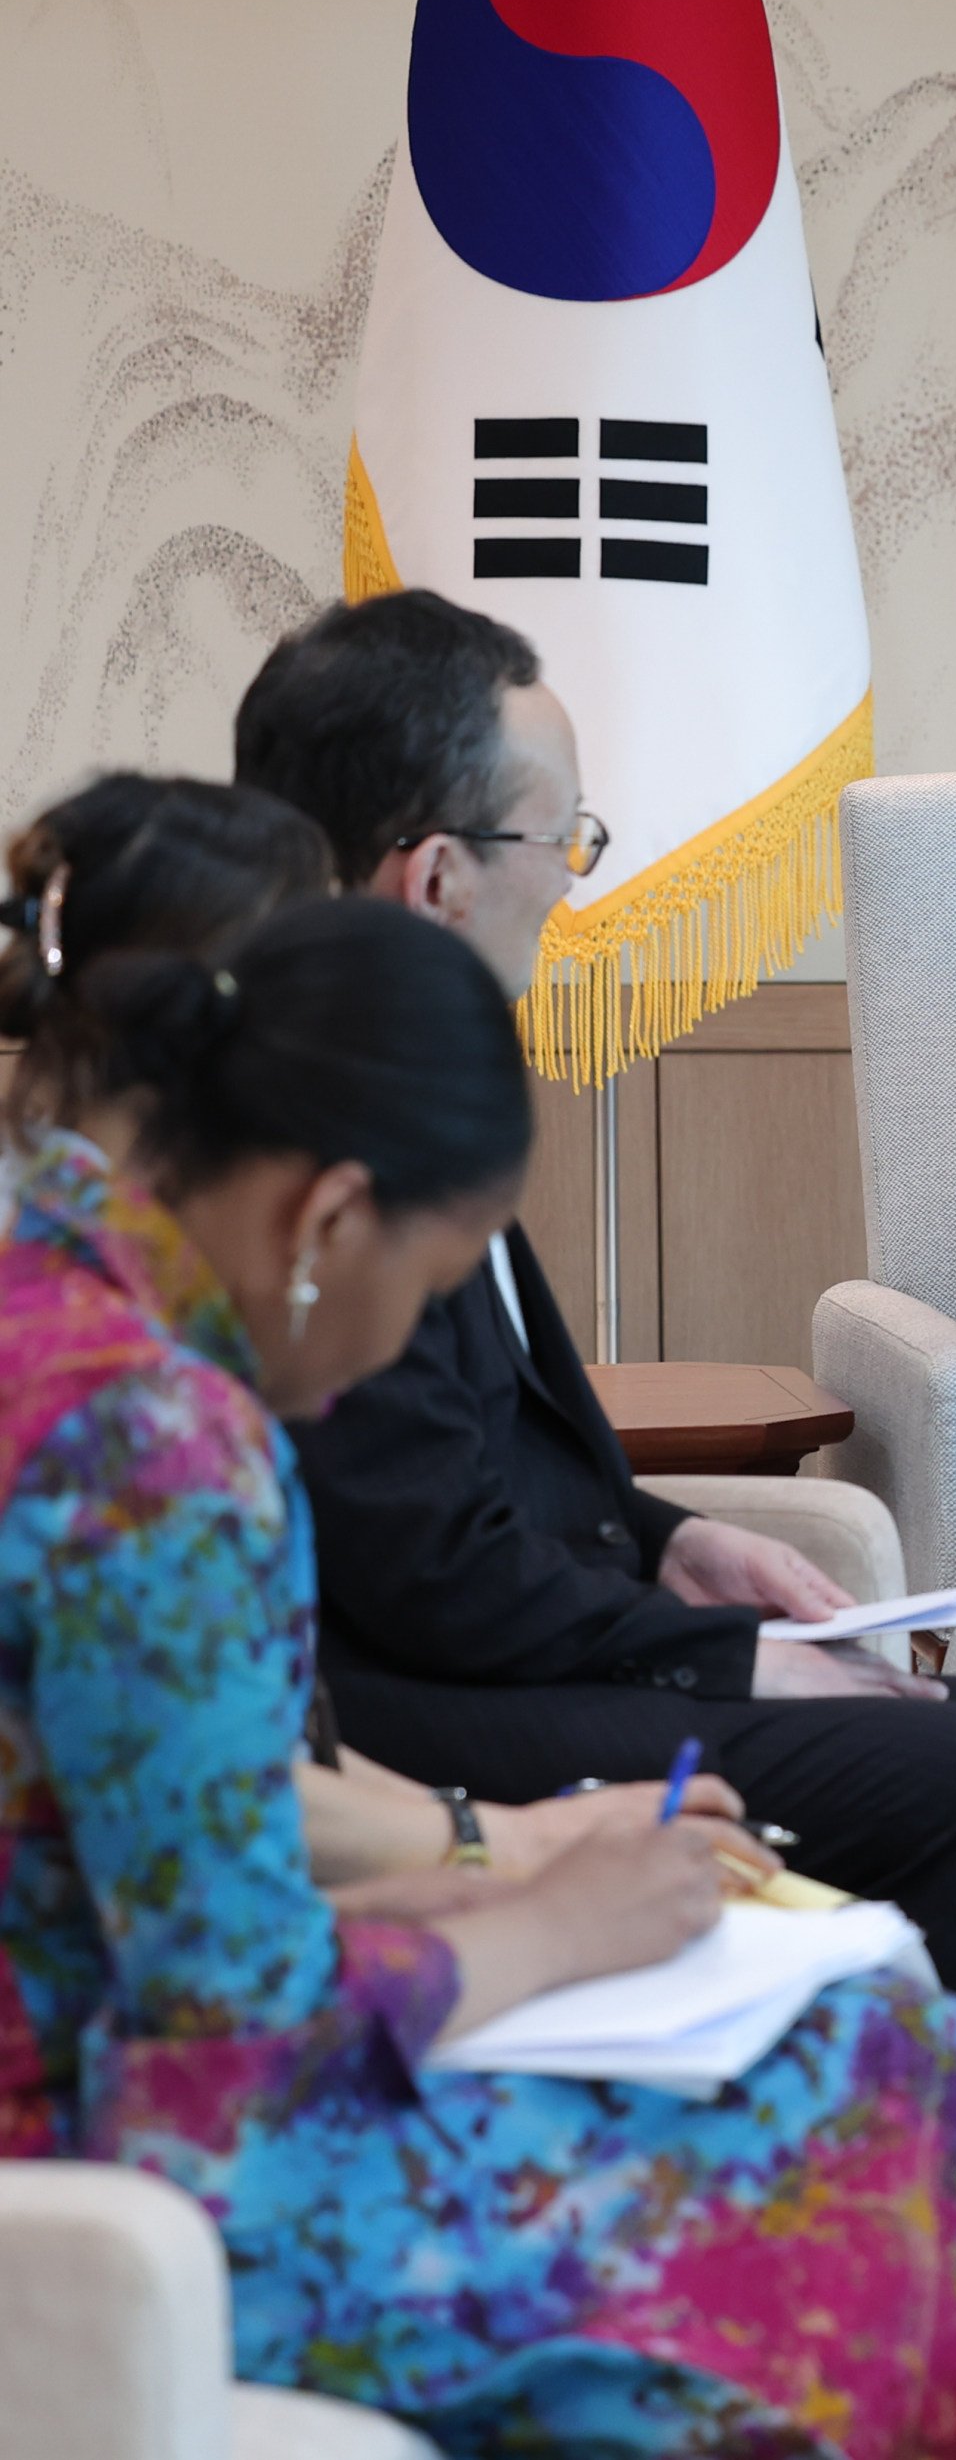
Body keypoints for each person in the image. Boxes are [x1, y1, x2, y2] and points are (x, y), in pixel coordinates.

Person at [0, 893, 956, 2452]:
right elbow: (225, 2050)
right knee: (876, 2099)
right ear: (327, 1220)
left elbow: (161, 1853)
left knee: (895, 2055)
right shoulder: (159, 1446)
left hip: (96, 2049)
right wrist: (553, 1925)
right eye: (423, 1286)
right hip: (120, 2165)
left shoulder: (51, 1275)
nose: (381, 1365)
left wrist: (498, 1858)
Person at [230, 590, 956, 2213]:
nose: (574, 883)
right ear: (435, 875)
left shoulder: (410, 1063)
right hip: (406, 1694)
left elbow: (490, 1449)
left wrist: (672, 1541)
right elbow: (421, 1562)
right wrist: (732, 1660)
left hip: (492, 1645)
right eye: (563, 842)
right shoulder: (312, 1127)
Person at [0, 773, 778, 1888]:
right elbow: (224, 1984)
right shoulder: (152, 1417)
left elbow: (208, 1774)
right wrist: (529, 1884)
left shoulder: (102, 1284)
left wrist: (504, 1847)